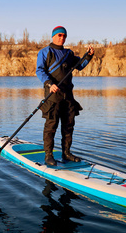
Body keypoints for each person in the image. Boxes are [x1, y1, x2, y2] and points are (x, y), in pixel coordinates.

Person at [36, 26, 94, 166]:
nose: (62, 38)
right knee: (51, 125)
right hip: (52, 96)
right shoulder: (45, 52)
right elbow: (40, 71)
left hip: (67, 96)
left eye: (64, 36)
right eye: (59, 35)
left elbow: (80, 65)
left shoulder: (68, 53)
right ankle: (48, 155)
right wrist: (49, 83)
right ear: (53, 36)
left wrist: (89, 55)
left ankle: (66, 153)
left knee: (68, 126)